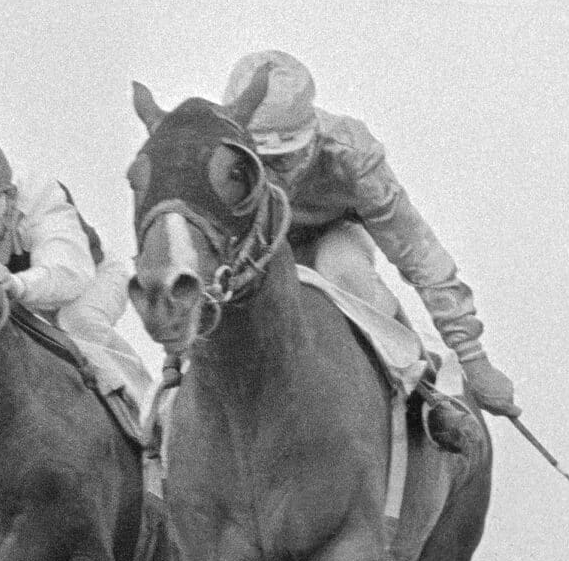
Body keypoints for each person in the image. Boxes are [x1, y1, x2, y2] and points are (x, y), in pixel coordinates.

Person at [220, 50, 517, 451]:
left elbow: (417, 252)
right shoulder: (224, 156)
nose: (277, 174)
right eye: (264, 161)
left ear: (309, 138)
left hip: (330, 239)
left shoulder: (349, 155)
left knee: (342, 267)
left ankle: (421, 395)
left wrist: (472, 355)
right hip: (261, 248)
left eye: (286, 157)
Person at [0, 133, 152, 422]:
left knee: (78, 320)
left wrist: (16, 284)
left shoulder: (41, 196)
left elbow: (69, 273)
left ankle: (148, 414)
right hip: (30, 304)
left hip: (93, 278)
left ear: (9, 197)